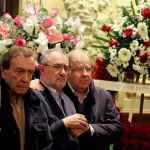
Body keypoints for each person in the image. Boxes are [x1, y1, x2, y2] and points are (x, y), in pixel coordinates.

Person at [30, 49, 122, 150]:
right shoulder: (58, 91)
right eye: (79, 69)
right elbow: (34, 136)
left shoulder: (103, 95)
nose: (85, 74)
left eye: (88, 69)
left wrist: (89, 129)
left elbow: (117, 128)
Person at [33, 49, 89, 150]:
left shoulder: (67, 99)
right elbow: (35, 138)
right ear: (41, 69)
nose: (63, 73)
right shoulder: (33, 95)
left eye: (66, 68)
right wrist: (64, 124)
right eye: (57, 67)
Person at [0, 46, 53, 150]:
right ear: (2, 71)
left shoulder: (35, 101)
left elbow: (46, 143)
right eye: (19, 72)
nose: (26, 79)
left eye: (30, 72)